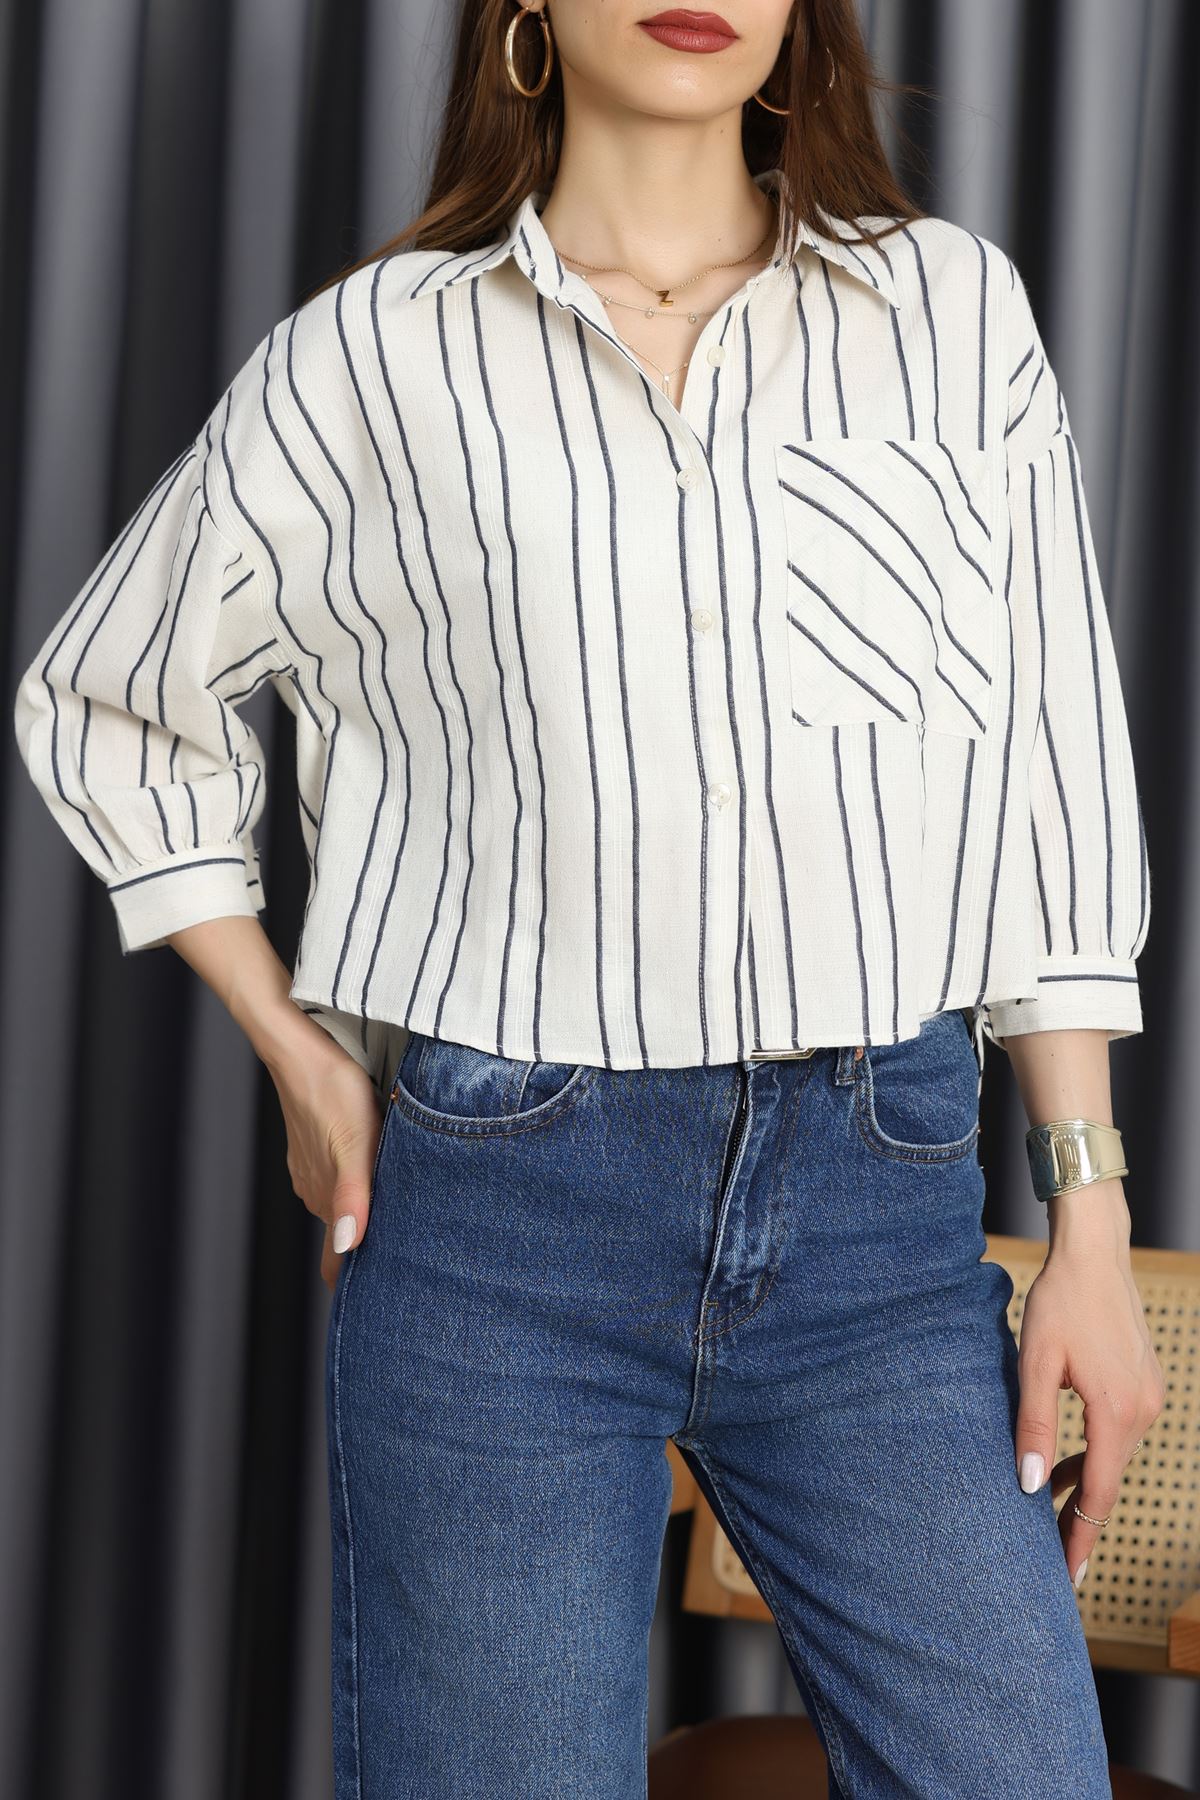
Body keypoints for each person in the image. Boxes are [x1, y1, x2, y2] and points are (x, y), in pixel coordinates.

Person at [13, 1, 1164, 1794]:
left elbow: (1048, 773)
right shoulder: (375, 360)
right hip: (501, 1227)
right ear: (527, 11)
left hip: (881, 1221)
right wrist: (301, 1053)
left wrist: (1088, 1214)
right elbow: (107, 698)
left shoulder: (949, 315)